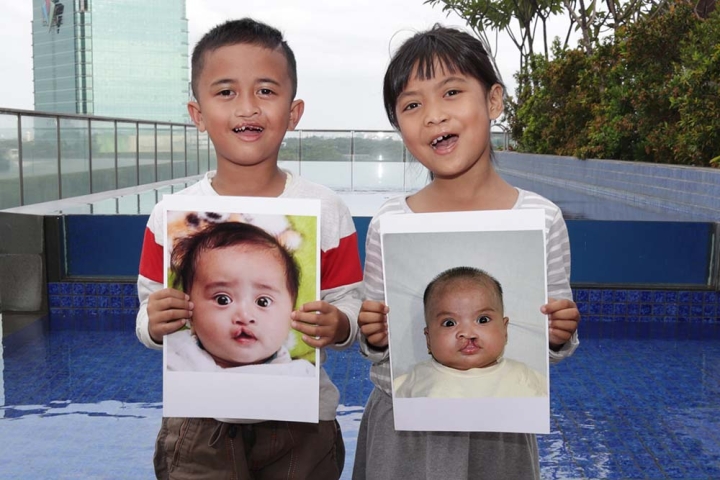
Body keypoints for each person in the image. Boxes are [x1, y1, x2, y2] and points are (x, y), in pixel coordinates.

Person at [135, 18, 363, 479]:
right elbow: (146, 309)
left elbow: (351, 306)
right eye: (225, 93)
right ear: (197, 114)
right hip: (200, 425)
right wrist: (154, 324)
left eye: (265, 91)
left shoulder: (325, 209)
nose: (247, 109)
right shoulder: (171, 215)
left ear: (294, 112)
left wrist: (340, 324)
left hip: (303, 425)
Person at [353, 25, 580, 480]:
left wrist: (557, 333)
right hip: (405, 436)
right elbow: (380, 357)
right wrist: (375, 335)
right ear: (399, 126)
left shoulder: (541, 217)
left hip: (500, 435)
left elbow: (545, 352)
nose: (433, 116)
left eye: (451, 92)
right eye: (412, 105)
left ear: (493, 101)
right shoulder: (389, 223)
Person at [165, 221, 314, 377]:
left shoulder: (300, 374)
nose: (244, 316)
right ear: (190, 312)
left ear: (291, 315)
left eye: (263, 302)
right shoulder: (176, 356)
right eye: (223, 299)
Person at [394, 266, 547, 399]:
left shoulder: (524, 376)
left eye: (483, 320)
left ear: (504, 329)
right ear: (428, 340)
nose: (467, 333)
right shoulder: (417, 378)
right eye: (449, 323)